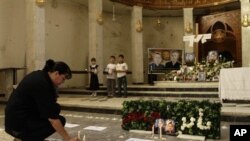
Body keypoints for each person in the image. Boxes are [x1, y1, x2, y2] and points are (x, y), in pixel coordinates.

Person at [5, 59, 79, 141]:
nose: (63, 82)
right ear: (56, 73)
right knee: (60, 120)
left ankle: (24, 137)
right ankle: (23, 138)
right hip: (17, 127)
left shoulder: (40, 76)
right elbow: (53, 118)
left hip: (13, 122)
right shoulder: (42, 84)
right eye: (63, 78)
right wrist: (68, 139)